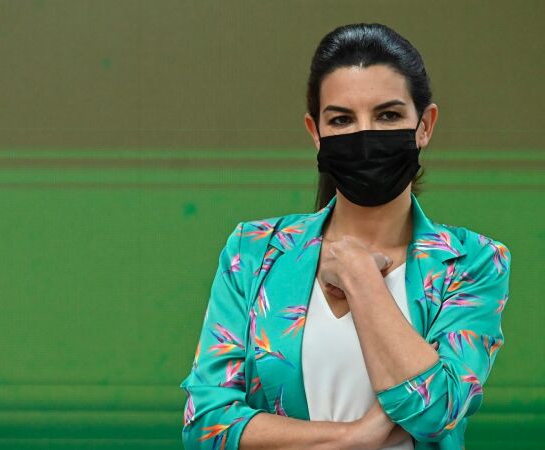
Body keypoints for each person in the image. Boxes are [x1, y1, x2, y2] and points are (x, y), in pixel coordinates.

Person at [179, 23, 511, 450]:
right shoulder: (255, 250)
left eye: (388, 115)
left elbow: (437, 411)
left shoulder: (474, 262)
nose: (364, 136)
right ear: (315, 133)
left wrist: (360, 275)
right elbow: (206, 423)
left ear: (425, 125)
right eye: (341, 120)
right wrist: (353, 438)